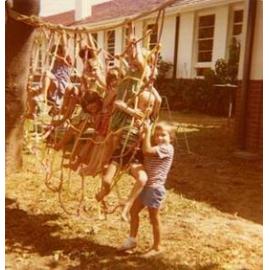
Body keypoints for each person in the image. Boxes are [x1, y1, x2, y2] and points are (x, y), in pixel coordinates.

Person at [118, 122, 174, 257]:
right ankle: (132, 240)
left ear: (171, 138)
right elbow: (144, 149)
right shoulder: (157, 147)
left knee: (154, 217)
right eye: (157, 135)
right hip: (146, 186)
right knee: (134, 211)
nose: (159, 138)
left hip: (155, 188)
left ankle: (157, 247)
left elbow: (146, 151)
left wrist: (148, 131)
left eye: (163, 135)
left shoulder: (167, 148)